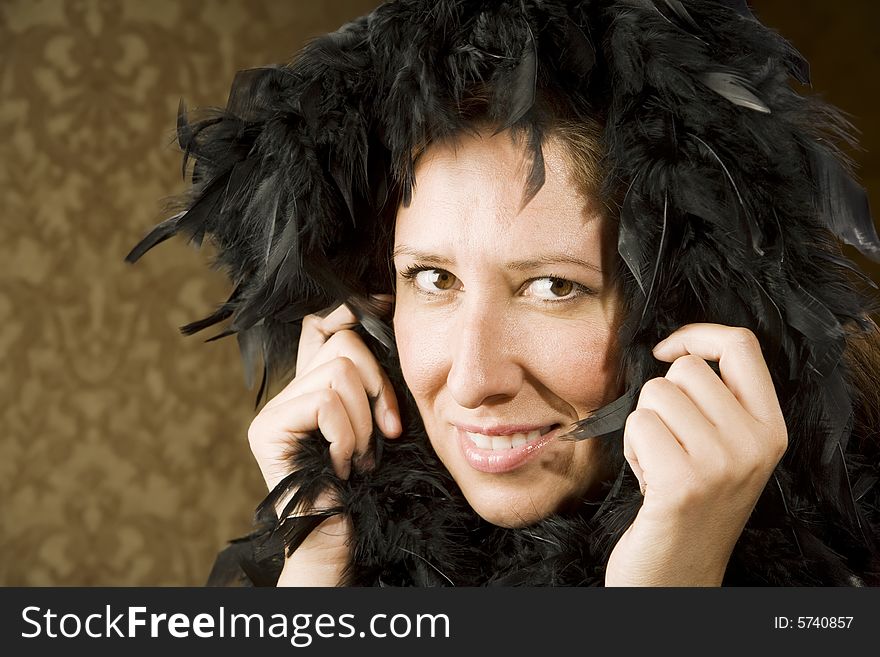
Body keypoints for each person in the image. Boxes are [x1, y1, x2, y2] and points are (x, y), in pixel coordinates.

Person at [128, 0, 880, 586]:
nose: (474, 378)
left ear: (688, 312)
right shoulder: (331, 561)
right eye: (434, 278)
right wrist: (319, 566)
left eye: (553, 287)